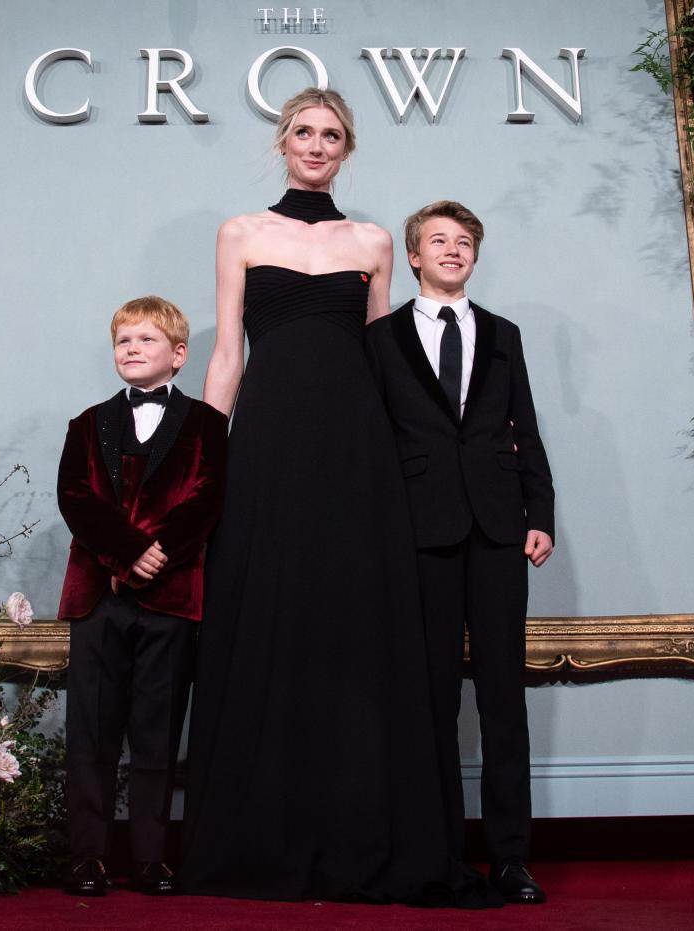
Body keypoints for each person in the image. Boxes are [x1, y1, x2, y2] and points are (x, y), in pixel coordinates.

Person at [179, 89, 495, 907]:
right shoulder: (241, 233)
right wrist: (205, 467)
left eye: (331, 136)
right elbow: (225, 360)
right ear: (281, 142)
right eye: (303, 133)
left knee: (353, 629)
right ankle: (260, 837)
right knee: (267, 615)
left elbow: (386, 360)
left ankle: (361, 831)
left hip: (359, 454)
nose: (316, 146)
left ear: (346, 150)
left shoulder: (373, 240)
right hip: (270, 447)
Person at [366, 201, 555, 904]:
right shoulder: (381, 339)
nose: (452, 249)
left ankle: (511, 857)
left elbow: (524, 426)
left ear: (473, 256)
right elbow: (375, 442)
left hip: (501, 527)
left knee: (504, 696)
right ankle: (439, 850)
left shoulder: (503, 334)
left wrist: (541, 511)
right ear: (413, 256)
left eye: (464, 241)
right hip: (420, 530)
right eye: (438, 240)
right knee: (431, 698)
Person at [56, 296, 227, 897]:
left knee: (157, 731)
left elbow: (208, 498)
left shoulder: (208, 424)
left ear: (178, 355)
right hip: (98, 599)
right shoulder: (87, 423)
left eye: (146, 340)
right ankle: (87, 857)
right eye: (123, 341)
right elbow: (76, 498)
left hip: (170, 598)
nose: (132, 349)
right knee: (92, 733)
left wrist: (160, 553)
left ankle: (151, 857)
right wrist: (127, 552)